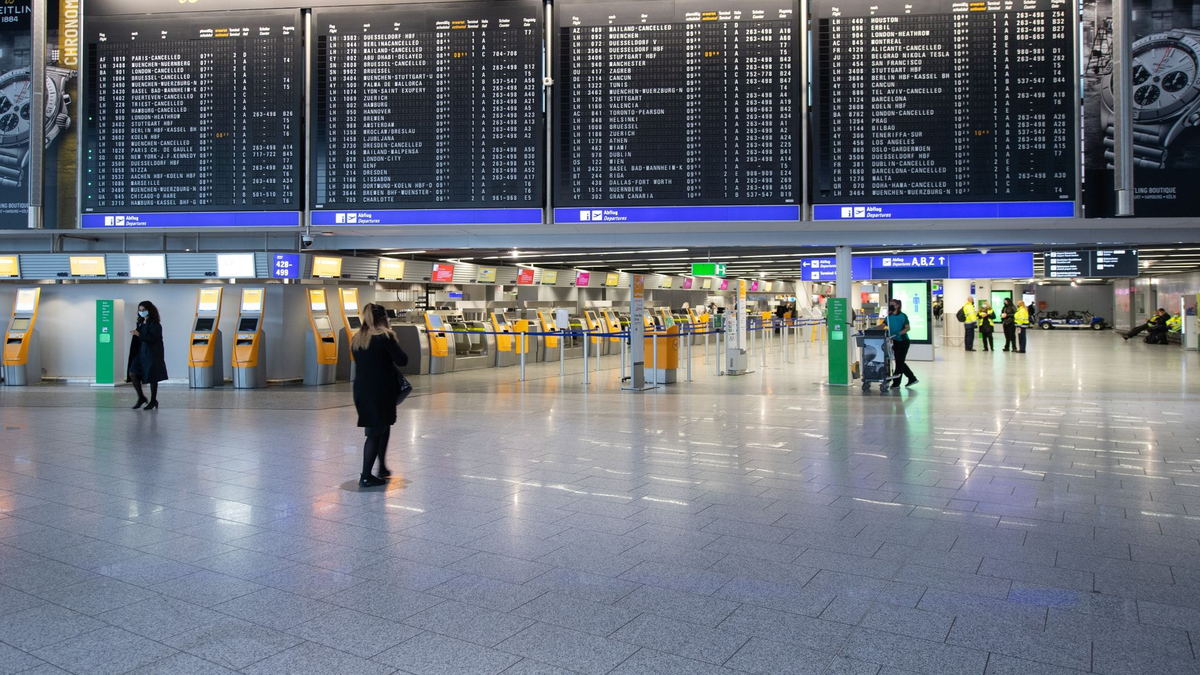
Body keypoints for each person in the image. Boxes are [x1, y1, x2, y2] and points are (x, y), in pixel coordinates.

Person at [352, 303, 409, 488]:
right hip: (381, 391)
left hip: (363, 390)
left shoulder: (358, 338)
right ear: (383, 318)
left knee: (381, 427)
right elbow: (403, 360)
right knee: (375, 432)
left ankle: (382, 468)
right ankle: (366, 476)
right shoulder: (385, 336)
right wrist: (392, 337)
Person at [129, 301, 167, 410]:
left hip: (152, 353)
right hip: (141, 353)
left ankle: (153, 400)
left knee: (152, 376)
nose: (141, 312)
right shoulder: (141, 322)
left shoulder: (155, 324)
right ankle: (141, 397)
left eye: (143, 310)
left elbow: (154, 339)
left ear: (149, 310)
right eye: (140, 310)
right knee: (133, 373)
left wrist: (139, 334)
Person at [883, 299, 917, 387]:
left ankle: (896, 383)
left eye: (892, 304)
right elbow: (883, 325)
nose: (890, 306)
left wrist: (899, 333)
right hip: (895, 342)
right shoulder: (889, 317)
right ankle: (912, 378)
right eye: (890, 304)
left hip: (903, 341)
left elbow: (907, 328)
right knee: (899, 362)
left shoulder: (903, 316)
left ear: (898, 305)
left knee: (899, 362)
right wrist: (872, 329)